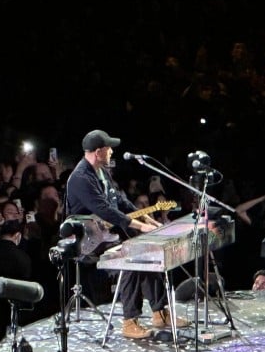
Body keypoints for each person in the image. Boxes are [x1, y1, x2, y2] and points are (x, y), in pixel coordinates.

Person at [65, 129, 188, 340]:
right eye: (108, 148)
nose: (112, 151)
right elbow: (103, 209)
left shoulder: (102, 171)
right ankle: (129, 321)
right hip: (87, 240)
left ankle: (160, 312)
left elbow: (120, 202)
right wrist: (139, 227)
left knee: (149, 252)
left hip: (107, 234)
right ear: (98, 152)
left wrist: (145, 217)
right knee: (130, 259)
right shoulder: (80, 178)